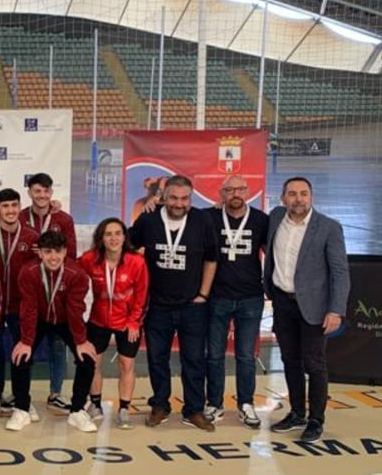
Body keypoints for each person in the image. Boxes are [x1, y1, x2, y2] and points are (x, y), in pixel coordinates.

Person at [128, 175, 218, 431]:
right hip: (157, 304)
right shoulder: (148, 219)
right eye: (174, 198)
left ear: (191, 197)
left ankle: (194, 409)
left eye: (184, 198)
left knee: (193, 359)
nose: (179, 204)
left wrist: (203, 294)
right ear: (163, 197)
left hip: (193, 305)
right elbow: (128, 248)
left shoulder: (202, 220)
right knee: (157, 358)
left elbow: (211, 259)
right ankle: (160, 405)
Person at [265, 177, 350, 443]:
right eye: (292, 194)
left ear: (311, 197)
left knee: (314, 364)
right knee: (290, 361)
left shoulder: (328, 228)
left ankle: (316, 420)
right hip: (282, 303)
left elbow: (339, 272)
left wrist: (336, 310)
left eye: (303, 194)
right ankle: (297, 413)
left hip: (314, 307)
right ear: (282, 198)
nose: (298, 199)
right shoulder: (275, 218)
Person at [7, 231, 98, 432]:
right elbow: (29, 307)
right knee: (20, 356)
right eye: (47, 252)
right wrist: (27, 341)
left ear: (65, 252)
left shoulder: (77, 274)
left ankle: (77, 411)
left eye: (58, 251)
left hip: (66, 320)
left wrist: (81, 341)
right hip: (39, 319)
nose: (53, 257)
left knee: (87, 360)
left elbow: (76, 310)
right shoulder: (28, 272)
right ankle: (21, 409)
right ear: (39, 253)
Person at [204, 174, 269, 429]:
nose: (235, 194)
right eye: (229, 190)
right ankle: (215, 403)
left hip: (251, 297)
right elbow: (183, 213)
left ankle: (246, 403)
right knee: (215, 355)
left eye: (239, 189)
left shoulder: (261, 220)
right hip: (218, 296)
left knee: (245, 355)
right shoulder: (210, 217)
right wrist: (155, 201)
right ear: (221, 194)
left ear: (248, 190)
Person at [78, 218, 148, 429]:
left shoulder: (136, 261)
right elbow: (68, 268)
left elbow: (142, 294)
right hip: (98, 319)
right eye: (108, 234)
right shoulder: (90, 259)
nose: (113, 238)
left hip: (127, 321)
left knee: (126, 364)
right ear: (101, 238)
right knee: (94, 363)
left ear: (124, 237)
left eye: (118, 233)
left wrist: (134, 321)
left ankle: (124, 409)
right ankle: (96, 404)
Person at [0, 188, 40, 418]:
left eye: (14, 205)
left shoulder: (32, 237)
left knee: (21, 354)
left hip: (20, 306)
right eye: (5, 206)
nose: (11, 210)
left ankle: (21, 398)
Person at [20, 172, 78, 412]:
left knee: (57, 344)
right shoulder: (21, 217)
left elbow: (71, 253)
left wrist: (50, 256)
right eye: (37, 191)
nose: (42, 195)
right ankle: (23, 397)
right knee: (26, 344)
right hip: (32, 288)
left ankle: (56, 392)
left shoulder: (63, 218)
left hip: (57, 291)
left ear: (51, 193)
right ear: (30, 193)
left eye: (46, 191)